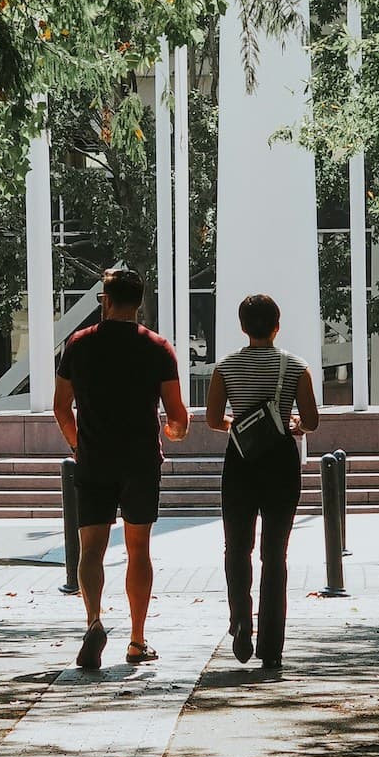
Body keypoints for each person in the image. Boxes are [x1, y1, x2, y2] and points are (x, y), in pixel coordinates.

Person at [54, 265, 188, 671]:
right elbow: (178, 415)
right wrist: (173, 430)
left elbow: (61, 408)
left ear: (106, 301)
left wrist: (79, 444)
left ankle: (94, 621)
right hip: (141, 461)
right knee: (138, 550)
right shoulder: (158, 347)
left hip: (94, 459)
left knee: (90, 549)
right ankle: (136, 640)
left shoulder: (77, 344)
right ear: (139, 303)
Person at [205, 292, 320, 670]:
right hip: (281, 463)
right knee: (275, 554)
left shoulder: (226, 368)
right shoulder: (296, 366)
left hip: (240, 461)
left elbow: (212, 419)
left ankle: (241, 620)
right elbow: (311, 421)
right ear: (277, 325)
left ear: (242, 326)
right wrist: (292, 426)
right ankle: (272, 646)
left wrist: (239, 427)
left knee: (236, 547)